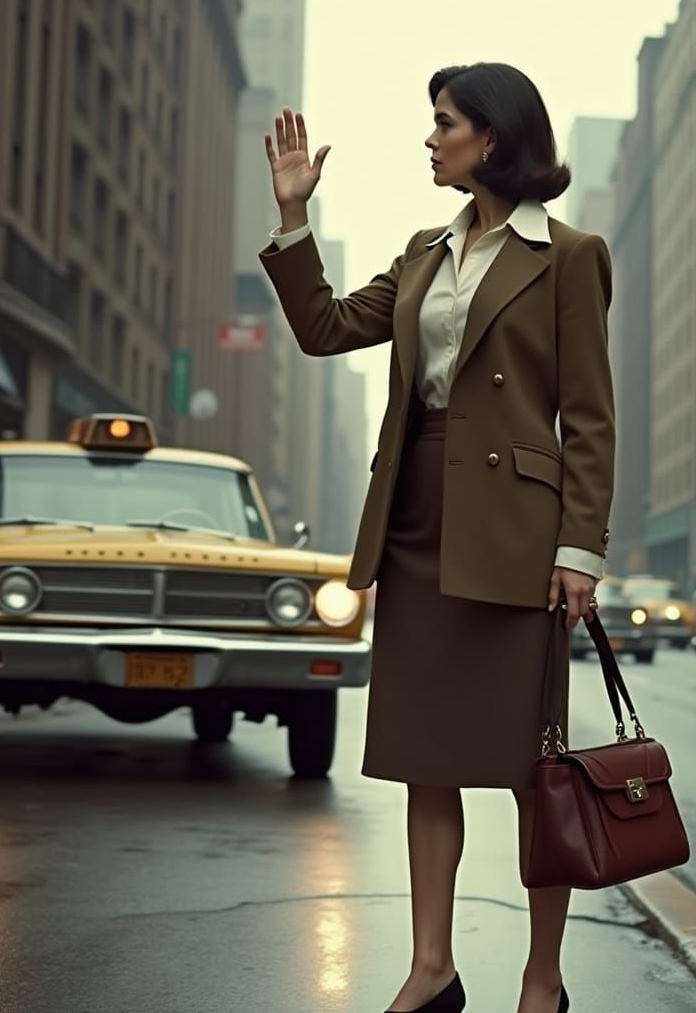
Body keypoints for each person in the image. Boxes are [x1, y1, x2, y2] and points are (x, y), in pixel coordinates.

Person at [260, 62, 614, 1013]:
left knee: (536, 769)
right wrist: (294, 217)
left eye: (445, 122)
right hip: (418, 522)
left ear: (492, 138)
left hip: (517, 536)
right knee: (428, 760)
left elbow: (589, 415)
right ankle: (433, 969)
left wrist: (579, 549)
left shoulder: (569, 256)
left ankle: (542, 979)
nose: (430, 138)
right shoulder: (424, 251)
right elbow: (326, 328)